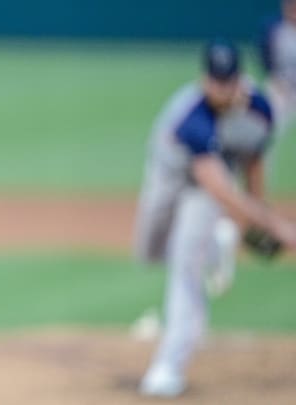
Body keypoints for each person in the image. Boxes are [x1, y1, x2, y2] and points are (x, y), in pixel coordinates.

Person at [133, 39, 296, 398]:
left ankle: (168, 367)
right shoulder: (193, 117)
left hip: (202, 192)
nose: (219, 89)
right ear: (204, 78)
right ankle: (216, 246)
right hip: (169, 175)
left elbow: (253, 163)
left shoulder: (260, 111)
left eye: (226, 81)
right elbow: (223, 190)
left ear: (239, 80)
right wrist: (280, 229)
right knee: (149, 251)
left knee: (184, 264)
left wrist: (257, 216)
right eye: (214, 81)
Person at [259, 0, 296, 135]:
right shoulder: (274, 28)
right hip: (280, 86)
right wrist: (276, 81)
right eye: (290, 5)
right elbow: (266, 59)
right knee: (270, 123)